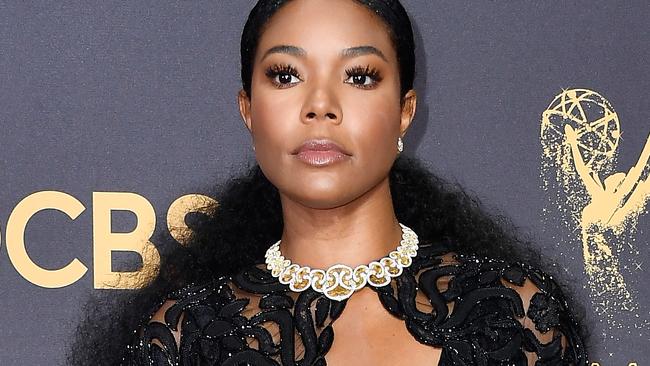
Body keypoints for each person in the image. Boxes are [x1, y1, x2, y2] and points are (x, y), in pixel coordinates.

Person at [67, 0, 589, 365]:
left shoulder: (513, 312)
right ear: (247, 109)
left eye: (359, 76)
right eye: (286, 75)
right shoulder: (185, 337)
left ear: (405, 111)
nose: (320, 104)